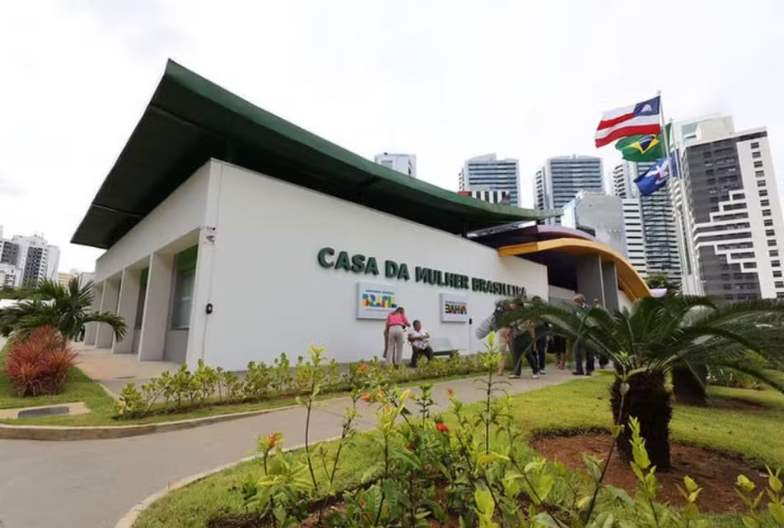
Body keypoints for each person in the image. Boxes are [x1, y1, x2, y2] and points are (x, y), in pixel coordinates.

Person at [571, 294, 594, 376]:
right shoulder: (574, 309)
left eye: (576, 301)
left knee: (589, 352)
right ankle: (579, 370)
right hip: (579, 333)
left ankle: (589, 370)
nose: (575, 303)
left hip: (589, 333)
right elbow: (573, 320)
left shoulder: (589, 308)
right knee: (577, 351)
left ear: (581, 301)